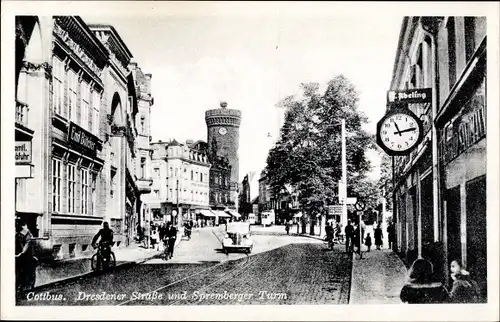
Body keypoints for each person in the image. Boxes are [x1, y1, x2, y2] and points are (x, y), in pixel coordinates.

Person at [15, 218, 37, 292]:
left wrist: (22, 253)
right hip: (16, 254)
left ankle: (29, 284)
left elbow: (27, 243)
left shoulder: (25, 233)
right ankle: (19, 285)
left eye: (16, 224)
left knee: (27, 269)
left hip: (26, 254)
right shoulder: (15, 233)